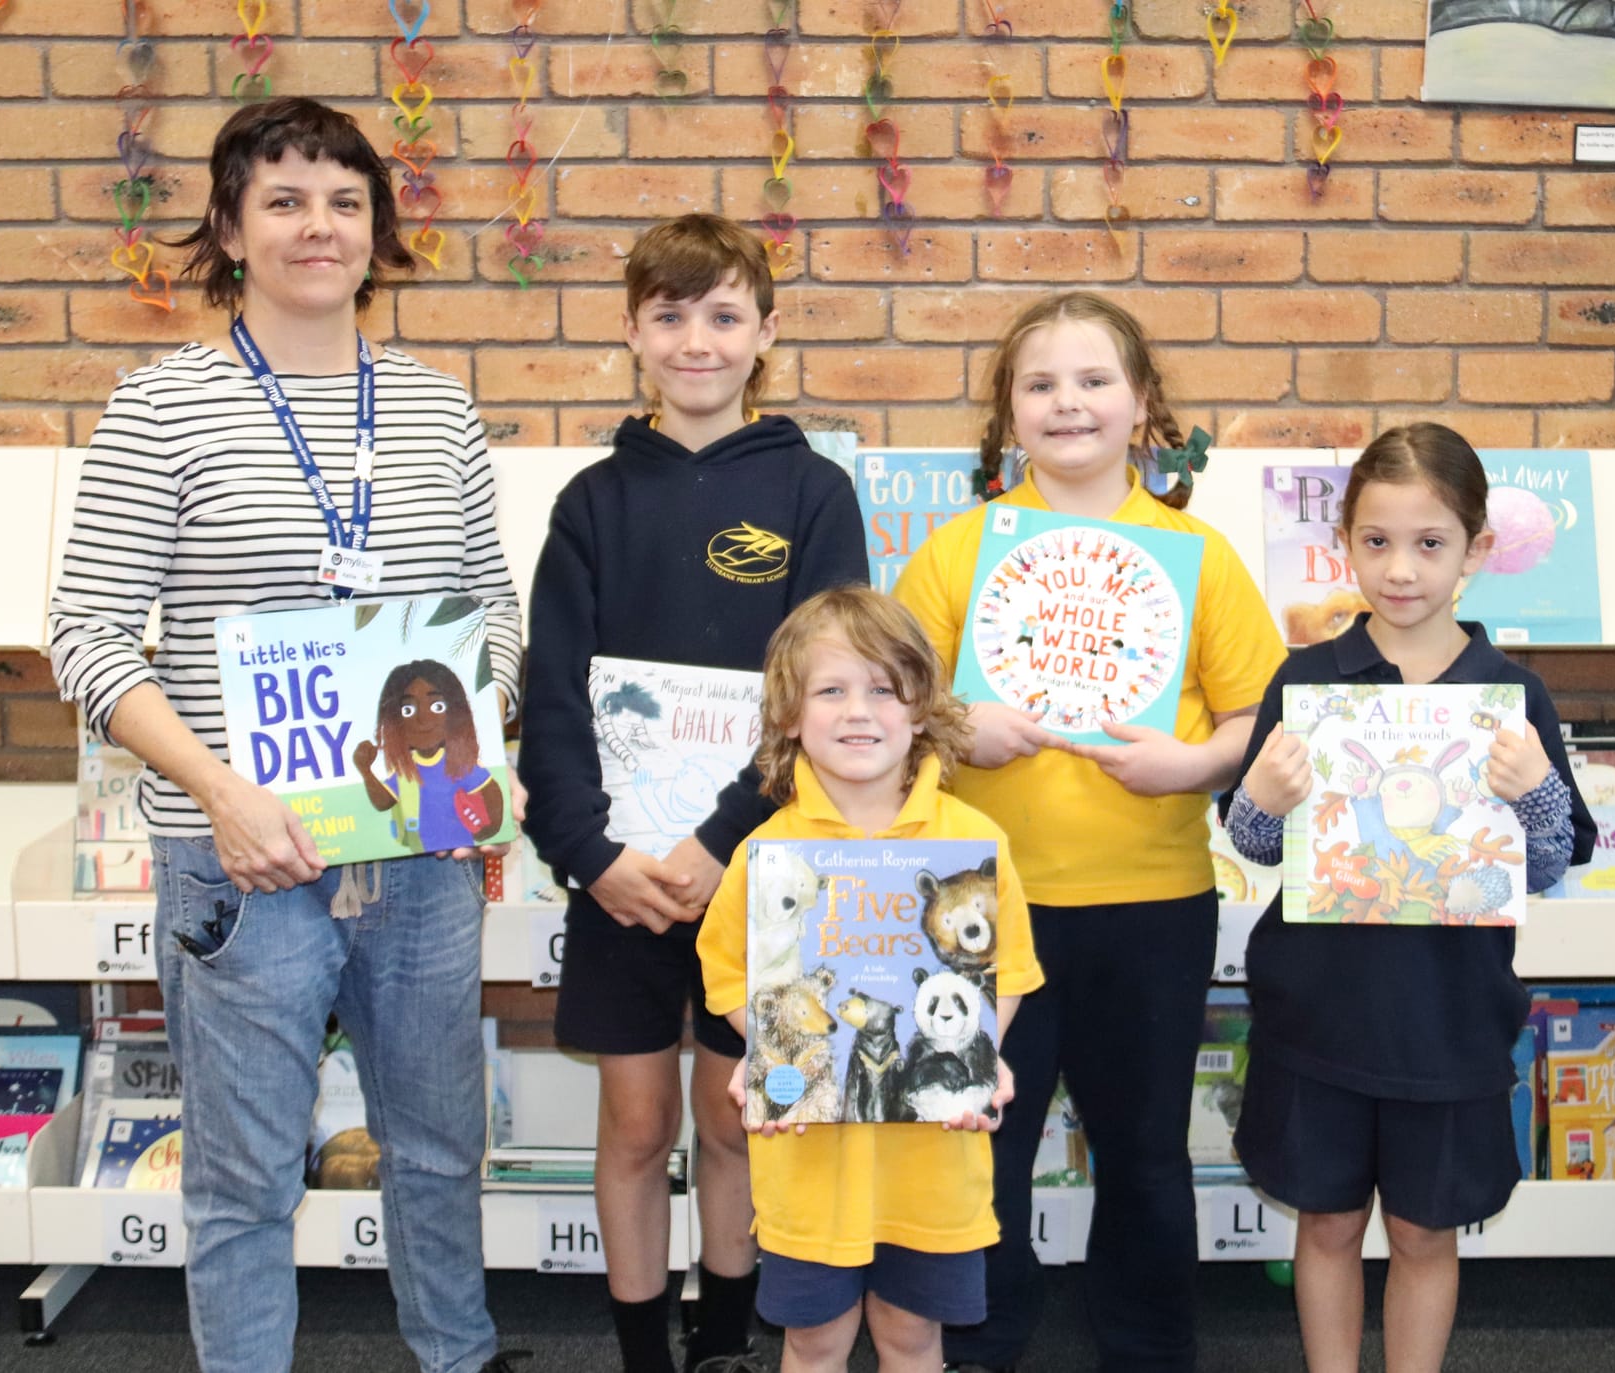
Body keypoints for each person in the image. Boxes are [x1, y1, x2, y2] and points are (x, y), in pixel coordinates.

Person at [47, 99, 527, 1373]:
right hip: (243, 863)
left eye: (344, 202)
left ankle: (458, 1353)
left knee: (439, 1147)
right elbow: (86, 635)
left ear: (375, 231)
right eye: (284, 200)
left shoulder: (436, 410)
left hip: (422, 854)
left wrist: (482, 748)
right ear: (229, 229)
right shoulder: (161, 408)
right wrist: (219, 791)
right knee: (244, 1174)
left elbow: (492, 609)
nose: (319, 227)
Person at [893, 292, 1288, 1372]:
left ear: (1141, 402)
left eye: (1093, 379)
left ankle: (1149, 1345)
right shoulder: (955, 554)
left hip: (1150, 905)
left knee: (1146, 1152)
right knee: (978, 1144)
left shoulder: (1197, 555)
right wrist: (956, 728)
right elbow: (887, 705)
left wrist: (1192, 764)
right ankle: (977, 1339)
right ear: (1006, 414)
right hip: (979, 907)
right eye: (1040, 384)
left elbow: (1260, 715)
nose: (1067, 402)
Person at [519, 214, 868, 1373]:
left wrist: (722, 840)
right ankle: (641, 1348)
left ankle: (723, 1336)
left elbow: (826, 695)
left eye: (723, 315)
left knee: (732, 1115)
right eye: (668, 315)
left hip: (756, 869)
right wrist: (590, 857)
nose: (696, 340)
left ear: (765, 332)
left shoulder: (814, 493)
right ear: (631, 331)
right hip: (618, 875)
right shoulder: (590, 503)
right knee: (634, 1121)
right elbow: (552, 700)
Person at [1223, 422, 1597, 1373]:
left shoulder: (1511, 694)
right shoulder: (1307, 678)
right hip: (1321, 1017)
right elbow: (1257, 844)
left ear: (1476, 549)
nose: (1400, 569)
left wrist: (1535, 792)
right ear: (1344, 543)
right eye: (1377, 540)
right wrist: (1258, 799)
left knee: (1427, 1232)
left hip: (1449, 1022)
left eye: (1430, 543)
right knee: (1327, 1222)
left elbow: (1548, 862)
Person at [695, 586, 1043, 1373]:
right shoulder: (765, 854)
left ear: (920, 707)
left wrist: (981, 1052)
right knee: (814, 1342)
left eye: (884, 688)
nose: (859, 710)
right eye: (831, 689)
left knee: (913, 1337)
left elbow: (1010, 970)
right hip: (811, 1162)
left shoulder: (973, 842)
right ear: (789, 714)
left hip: (932, 1162)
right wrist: (772, 1051)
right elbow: (728, 973)